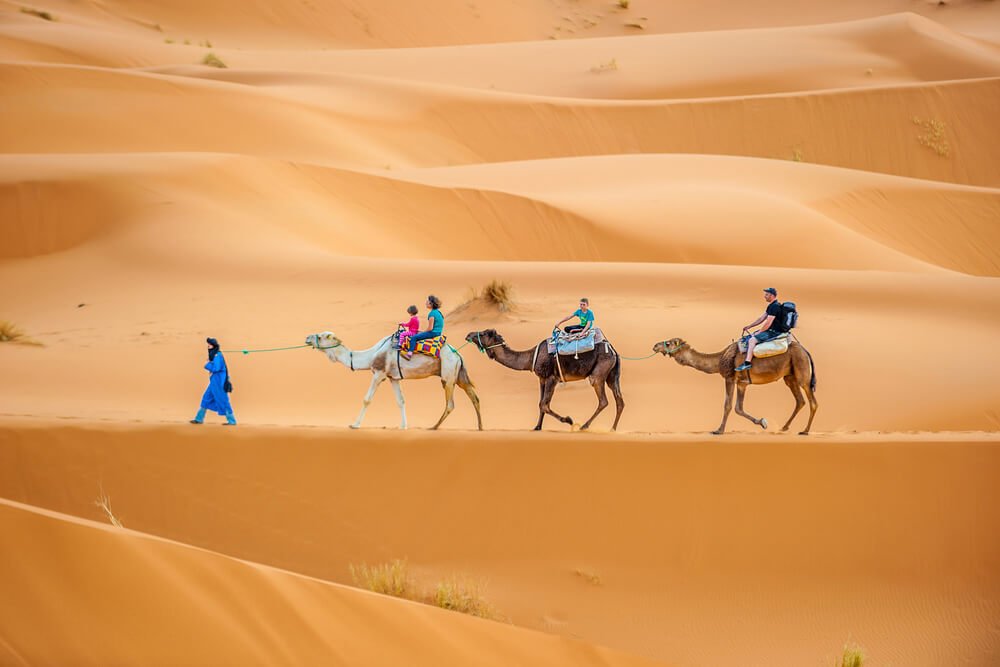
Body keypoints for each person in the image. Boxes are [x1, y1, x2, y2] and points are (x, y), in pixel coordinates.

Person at [735, 287, 786, 372]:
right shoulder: (772, 306)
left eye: (766, 295)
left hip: (773, 332)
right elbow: (761, 319)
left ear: (772, 295)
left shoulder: (775, 307)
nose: (765, 296)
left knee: (752, 340)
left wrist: (759, 332)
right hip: (770, 330)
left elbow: (768, 323)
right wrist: (749, 326)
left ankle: (747, 363)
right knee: (751, 336)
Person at [191, 337, 236, 425]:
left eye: (210, 344)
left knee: (223, 400)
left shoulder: (217, 355)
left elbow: (217, 368)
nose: (208, 346)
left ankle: (232, 421)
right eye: (208, 344)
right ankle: (199, 419)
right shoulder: (215, 355)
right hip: (214, 382)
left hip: (219, 382)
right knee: (206, 398)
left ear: (214, 345)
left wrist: (207, 364)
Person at [402, 295, 443, 360]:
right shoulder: (438, 312)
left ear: (431, 304)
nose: (426, 303)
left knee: (414, 338)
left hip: (433, 333)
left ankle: (409, 354)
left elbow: (430, 328)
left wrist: (422, 332)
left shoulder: (432, 314)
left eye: (427, 301)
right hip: (438, 332)